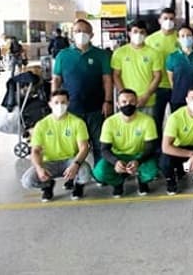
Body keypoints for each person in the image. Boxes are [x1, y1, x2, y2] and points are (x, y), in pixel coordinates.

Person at [52, 19, 113, 164]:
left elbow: (107, 80)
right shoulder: (63, 55)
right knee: (72, 144)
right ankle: (74, 176)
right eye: (77, 31)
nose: (81, 34)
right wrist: (55, 103)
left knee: (100, 144)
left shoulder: (102, 55)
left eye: (85, 31)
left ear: (92, 35)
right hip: (71, 108)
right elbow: (56, 80)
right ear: (72, 34)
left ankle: (100, 173)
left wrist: (108, 101)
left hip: (96, 107)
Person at [20, 90, 91, 201]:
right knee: (27, 181)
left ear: (68, 103)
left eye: (63, 102)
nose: (60, 105)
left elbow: (84, 147)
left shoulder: (77, 122)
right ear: (50, 104)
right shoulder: (41, 125)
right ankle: (47, 185)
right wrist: (39, 168)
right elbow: (35, 151)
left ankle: (77, 185)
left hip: (69, 160)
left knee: (85, 173)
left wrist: (76, 164)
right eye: (56, 102)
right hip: (49, 163)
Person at [93, 89, 159, 198]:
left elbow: (150, 147)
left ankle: (142, 180)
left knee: (153, 170)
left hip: (139, 155)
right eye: (124, 102)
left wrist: (138, 161)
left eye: (131, 101)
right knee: (99, 172)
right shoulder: (109, 122)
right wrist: (115, 162)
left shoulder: (147, 121)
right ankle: (118, 182)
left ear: (137, 103)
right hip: (118, 155)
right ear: (118, 104)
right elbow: (104, 149)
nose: (127, 104)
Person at [111, 19, 162, 117]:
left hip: (147, 100)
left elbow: (157, 76)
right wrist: (124, 95)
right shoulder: (119, 53)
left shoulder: (154, 53)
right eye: (135, 32)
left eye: (141, 32)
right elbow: (116, 75)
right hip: (126, 102)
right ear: (129, 33)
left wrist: (146, 95)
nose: (138, 35)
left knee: (147, 128)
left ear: (146, 34)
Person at [145, 8, 178, 136]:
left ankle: (176, 147)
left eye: (171, 19)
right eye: (165, 18)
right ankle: (157, 149)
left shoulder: (180, 38)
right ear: (159, 20)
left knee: (177, 119)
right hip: (157, 87)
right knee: (156, 120)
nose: (168, 21)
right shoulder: (150, 40)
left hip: (176, 87)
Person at [166, 25, 193, 112]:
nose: (186, 38)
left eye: (189, 35)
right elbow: (171, 80)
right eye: (182, 36)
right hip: (178, 98)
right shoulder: (172, 57)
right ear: (178, 38)